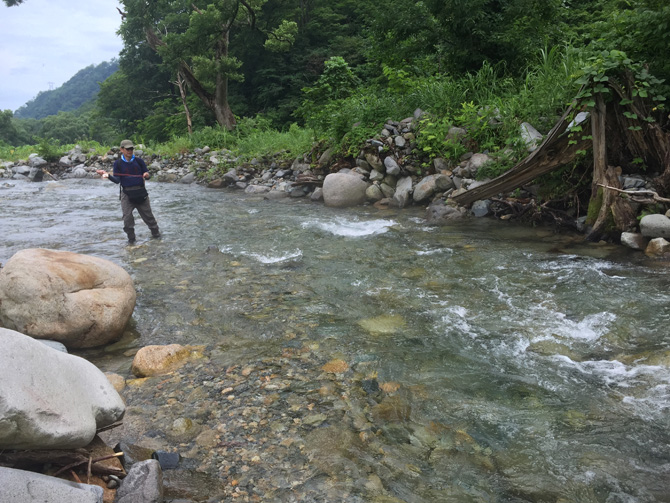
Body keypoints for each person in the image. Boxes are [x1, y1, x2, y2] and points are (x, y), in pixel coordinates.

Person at [96, 140, 160, 243]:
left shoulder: (139, 161)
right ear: (122, 150)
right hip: (126, 194)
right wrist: (107, 175)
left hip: (141, 192)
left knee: (149, 218)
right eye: (127, 149)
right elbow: (117, 181)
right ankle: (131, 241)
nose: (130, 151)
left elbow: (147, 175)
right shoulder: (118, 163)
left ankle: (157, 237)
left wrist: (147, 175)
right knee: (127, 219)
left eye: (131, 149)